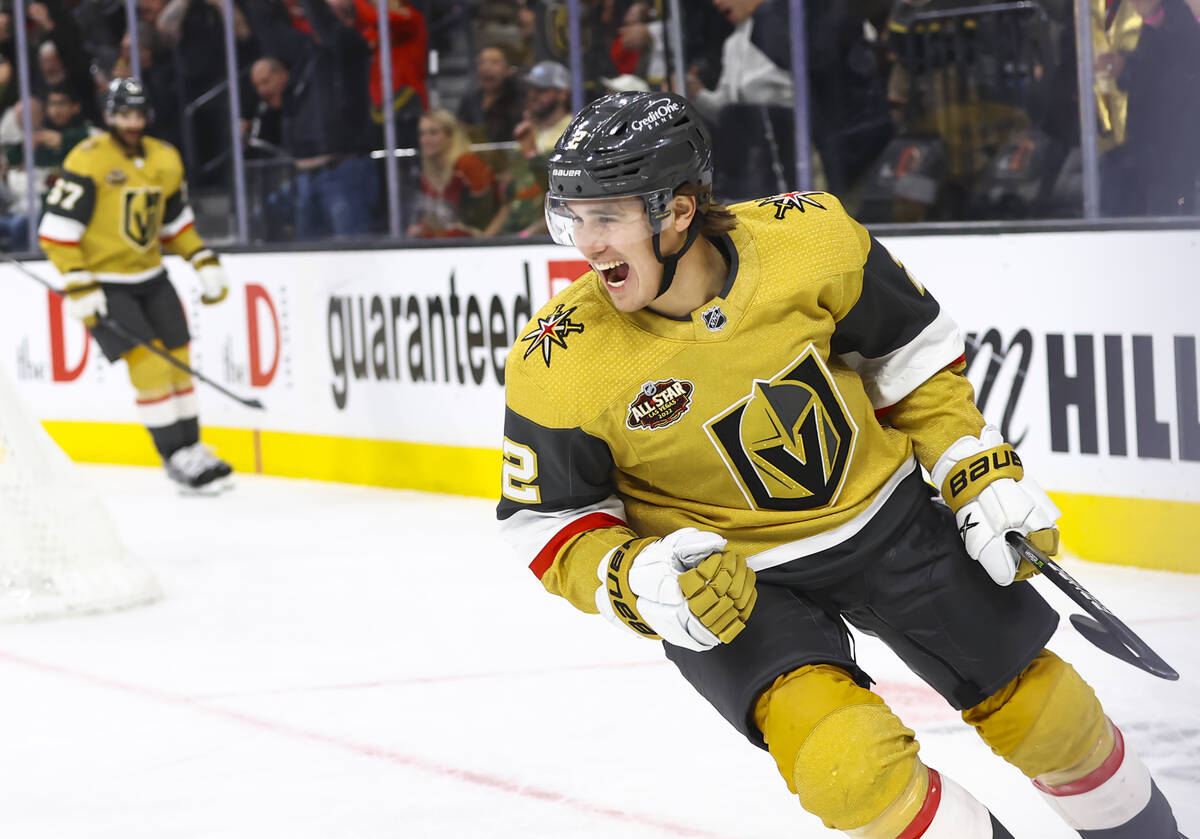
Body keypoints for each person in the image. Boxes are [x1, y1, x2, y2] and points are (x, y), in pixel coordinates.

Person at [496, 91, 1184, 839]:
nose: (586, 245)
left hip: (887, 518)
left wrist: (974, 466)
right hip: (738, 586)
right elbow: (550, 516)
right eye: (571, 217)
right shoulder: (560, 358)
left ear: (679, 210)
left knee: (1053, 719)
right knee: (848, 766)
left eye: (607, 217)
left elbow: (909, 354)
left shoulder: (809, 237)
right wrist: (634, 579)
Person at [37, 78, 233, 492]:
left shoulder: (165, 158)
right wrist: (79, 283)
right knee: (151, 366)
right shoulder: (87, 159)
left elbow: (175, 225)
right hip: (106, 284)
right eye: (124, 114)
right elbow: (56, 231)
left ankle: (193, 448)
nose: (132, 122)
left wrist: (202, 260)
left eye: (138, 114)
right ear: (108, 116)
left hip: (152, 277)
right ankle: (174, 455)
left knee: (178, 361)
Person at [1094, 0, 1200, 215]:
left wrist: (1127, 68)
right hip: (1120, 147)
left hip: (1168, 152)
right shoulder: (1098, 10)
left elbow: (1181, 71)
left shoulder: (1177, 17)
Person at [407, 108, 501, 238]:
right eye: (422, 134)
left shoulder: (467, 163)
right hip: (446, 245)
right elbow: (434, 220)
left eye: (433, 133)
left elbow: (485, 215)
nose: (425, 139)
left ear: (451, 136)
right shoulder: (427, 173)